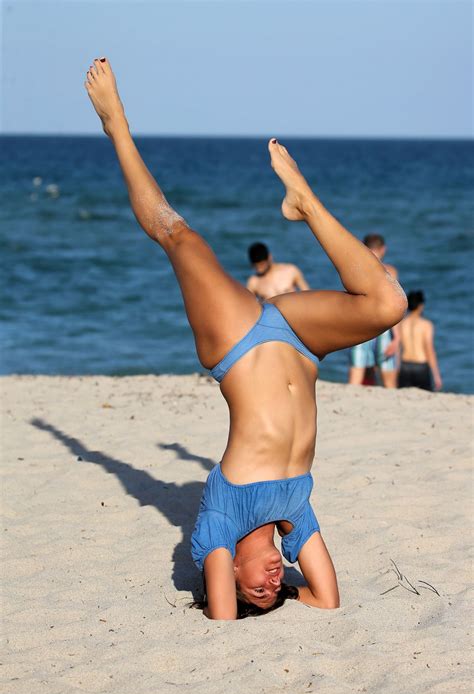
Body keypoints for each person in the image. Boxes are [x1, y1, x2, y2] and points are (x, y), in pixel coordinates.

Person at [85, 57, 407, 620]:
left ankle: (118, 127)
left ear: (229, 570)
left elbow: (221, 618)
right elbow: (328, 600)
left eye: (253, 590)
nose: (270, 587)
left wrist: (227, 600)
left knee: (178, 236)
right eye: (273, 594)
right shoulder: (293, 521)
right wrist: (291, 592)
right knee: (389, 303)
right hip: (301, 344)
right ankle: (305, 205)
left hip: (235, 344)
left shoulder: (218, 528)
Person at [348, 234, 400, 388]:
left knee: (355, 380)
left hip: (361, 324)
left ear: (364, 248)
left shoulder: (354, 270)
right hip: (382, 326)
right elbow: (395, 304)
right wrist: (397, 338)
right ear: (383, 249)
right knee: (389, 382)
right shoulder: (390, 271)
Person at [398, 291, 442, 391]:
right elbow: (429, 349)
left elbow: (397, 347)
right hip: (421, 367)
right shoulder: (426, 325)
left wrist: (397, 367)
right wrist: (436, 375)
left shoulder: (401, 324)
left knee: (405, 397)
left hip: (405, 365)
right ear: (421, 306)